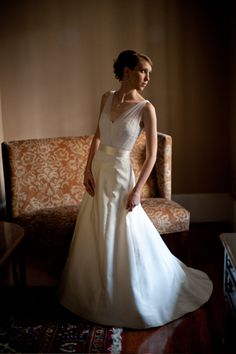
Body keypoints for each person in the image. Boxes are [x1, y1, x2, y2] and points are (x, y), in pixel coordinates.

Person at [58, 50, 213, 329]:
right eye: (143, 71)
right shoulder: (106, 98)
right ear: (126, 70)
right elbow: (96, 137)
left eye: (149, 73)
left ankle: (126, 294)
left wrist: (137, 191)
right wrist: (86, 169)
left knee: (123, 231)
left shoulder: (146, 109)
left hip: (120, 176)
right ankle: (93, 294)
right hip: (99, 172)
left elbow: (152, 155)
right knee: (96, 230)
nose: (147, 78)